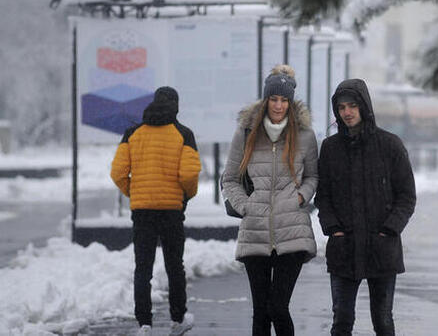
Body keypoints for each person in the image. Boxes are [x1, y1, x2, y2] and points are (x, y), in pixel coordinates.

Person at [221, 64, 318, 336]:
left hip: (293, 230)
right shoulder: (246, 133)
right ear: (265, 100)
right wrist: (245, 206)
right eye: (273, 99)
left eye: (284, 100)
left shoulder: (305, 136)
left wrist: (301, 196)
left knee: (278, 307)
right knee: (260, 312)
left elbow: (313, 177)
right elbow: (229, 179)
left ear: (291, 102)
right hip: (255, 231)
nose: (278, 105)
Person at [315, 78, 416, 336]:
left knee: (382, 321)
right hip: (343, 248)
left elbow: (406, 196)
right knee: (342, 321)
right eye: (341, 108)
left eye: (352, 106)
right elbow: (323, 196)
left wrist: (389, 230)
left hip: (381, 248)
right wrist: (333, 229)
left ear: (364, 107)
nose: (347, 112)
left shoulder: (390, 145)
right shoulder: (330, 148)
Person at [110, 86, 201, 336]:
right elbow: (189, 174)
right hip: (172, 211)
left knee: (143, 268)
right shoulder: (184, 134)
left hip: (142, 212)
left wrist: (136, 192)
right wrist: (185, 195)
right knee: (175, 266)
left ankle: (144, 324)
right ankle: (178, 318)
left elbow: (117, 173)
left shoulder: (133, 133)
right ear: (176, 105)